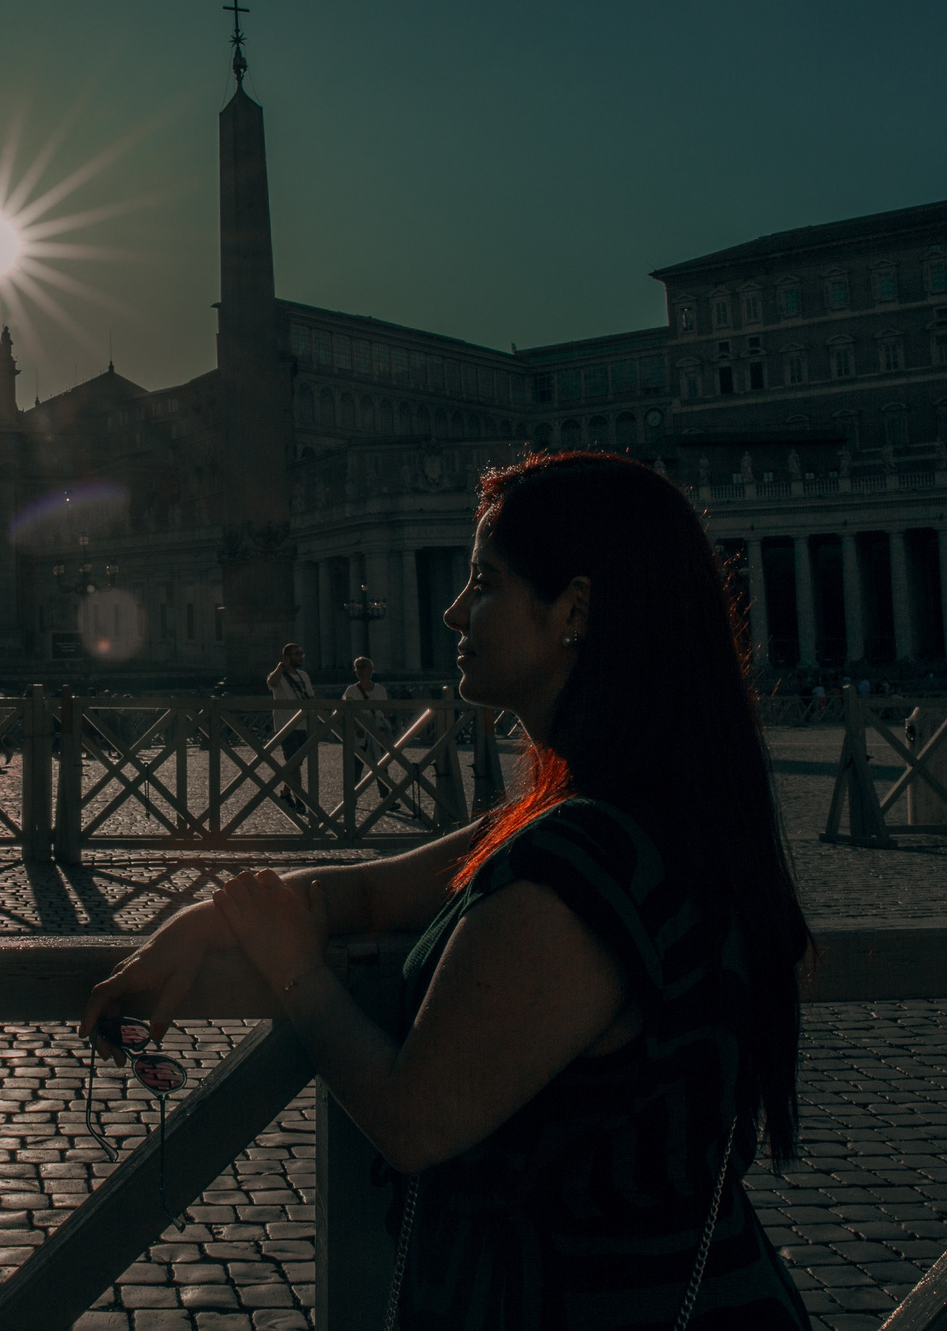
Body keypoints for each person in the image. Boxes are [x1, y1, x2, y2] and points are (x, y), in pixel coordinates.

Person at [85, 451, 811, 1331]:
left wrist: (291, 973)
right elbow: (349, 899)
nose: (454, 609)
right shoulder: (599, 814)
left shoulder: (579, 867)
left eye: (485, 582)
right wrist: (207, 921)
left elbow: (413, 1117)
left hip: (593, 1306)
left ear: (572, 611)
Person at [267, 642, 315, 817]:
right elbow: (271, 682)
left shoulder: (304, 675)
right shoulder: (278, 676)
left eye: (301, 653)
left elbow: (311, 697)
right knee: (294, 763)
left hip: (302, 724)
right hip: (285, 725)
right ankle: (300, 801)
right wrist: (281, 667)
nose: (301, 656)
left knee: (295, 763)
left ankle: (285, 794)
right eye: (296, 654)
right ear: (287, 657)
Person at [339, 655, 388, 801]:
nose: (359, 670)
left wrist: (386, 729)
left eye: (363, 667)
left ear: (371, 669)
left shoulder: (380, 689)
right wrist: (356, 728)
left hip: (377, 732)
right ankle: (351, 798)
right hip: (360, 734)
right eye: (357, 667)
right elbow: (347, 712)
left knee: (381, 766)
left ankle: (387, 797)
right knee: (356, 768)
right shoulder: (351, 690)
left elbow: (385, 711)